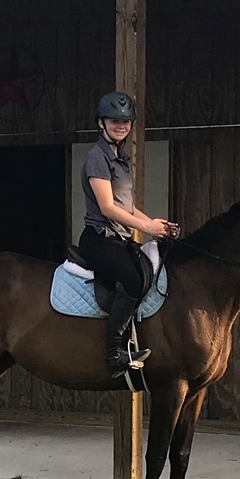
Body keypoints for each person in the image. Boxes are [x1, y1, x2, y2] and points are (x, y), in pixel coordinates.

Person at [80, 91, 177, 377]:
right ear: (101, 123)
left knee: (148, 273)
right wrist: (146, 229)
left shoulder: (119, 158)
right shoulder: (97, 158)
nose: (121, 126)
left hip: (120, 238)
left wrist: (155, 224)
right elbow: (108, 207)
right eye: (114, 121)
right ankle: (113, 353)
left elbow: (126, 205)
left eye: (125, 122)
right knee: (133, 280)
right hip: (99, 238)